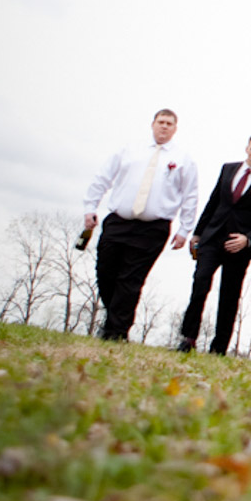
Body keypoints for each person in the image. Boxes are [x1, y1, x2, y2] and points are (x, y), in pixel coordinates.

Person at [82, 109, 199, 342]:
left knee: (131, 279)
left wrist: (184, 230)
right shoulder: (129, 150)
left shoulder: (183, 159)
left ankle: (116, 331)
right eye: (160, 122)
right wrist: (90, 207)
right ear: (152, 124)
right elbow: (103, 177)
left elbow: (190, 197)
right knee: (105, 272)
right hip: (118, 221)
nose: (164, 127)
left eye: (169, 124)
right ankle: (113, 321)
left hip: (153, 227)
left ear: (175, 129)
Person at [177, 133, 251, 355]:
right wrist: (197, 234)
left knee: (229, 295)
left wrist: (248, 239)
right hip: (212, 238)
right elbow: (213, 201)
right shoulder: (227, 169)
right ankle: (188, 338)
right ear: (247, 149)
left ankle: (219, 346)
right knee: (200, 283)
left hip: (239, 245)